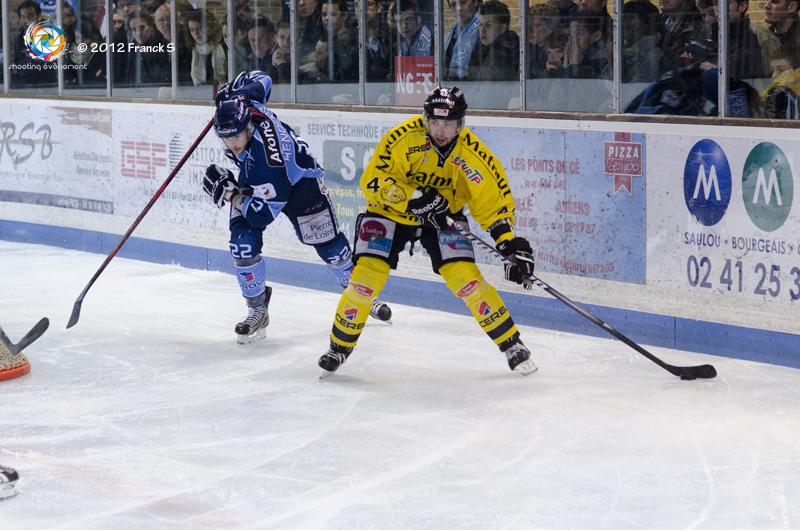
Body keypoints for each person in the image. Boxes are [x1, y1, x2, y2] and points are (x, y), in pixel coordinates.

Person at [317, 86, 538, 377]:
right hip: (390, 213)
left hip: (442, 220)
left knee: (467, 280)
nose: (441, 130)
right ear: (425, 119)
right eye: (435, 122)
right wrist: (413, 196)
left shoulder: (473, 154)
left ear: (461, 124)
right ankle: (339, 346)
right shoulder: (402, 138)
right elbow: (372, 181)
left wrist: (509, 243)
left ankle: (511, 344)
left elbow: (491, 201)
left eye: (448, 124)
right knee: (365, 279)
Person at [203, 71, 392, 343]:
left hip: (301, 184)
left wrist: (232, 195)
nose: (231, 144)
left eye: (236, 137)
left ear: (248, 127)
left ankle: (361, 293)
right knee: (242, 244)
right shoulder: (246, 102)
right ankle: (257, 308)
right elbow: (264, 78)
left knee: (331, 247)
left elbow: (261, 215)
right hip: (261, 180)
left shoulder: (268, 163)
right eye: (225, 137)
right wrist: (231, 89)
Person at [470, 0, 519, 80]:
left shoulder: (506, 53)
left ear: (503, 28)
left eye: (488, 25)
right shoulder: (479, 50)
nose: (482, 30)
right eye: (480, 25)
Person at [186, 9, 227, 86]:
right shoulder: (189, 51)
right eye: (192, 30)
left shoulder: (223, 47)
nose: (196, 33)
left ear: (210, 27)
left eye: (200, 28)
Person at [444, 0, 481, 80]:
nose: (459, 8)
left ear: (475, 2)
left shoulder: (483, 30)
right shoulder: (451, 34)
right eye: (454, 4)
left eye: (463, 2)